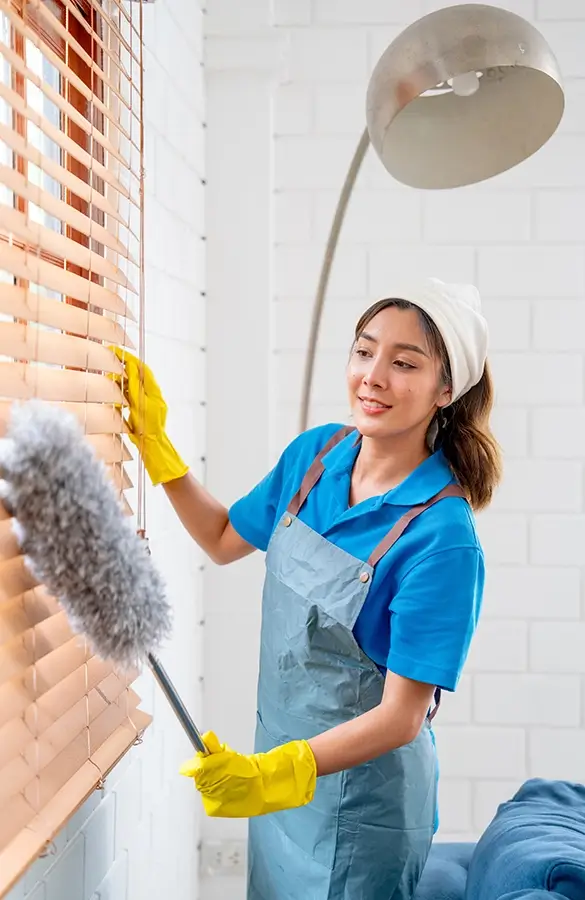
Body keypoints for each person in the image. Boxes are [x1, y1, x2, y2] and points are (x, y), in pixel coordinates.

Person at [115, 277, 502, 900]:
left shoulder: (442, 537)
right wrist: (160, 451)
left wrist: (275, 774)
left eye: (404, 364)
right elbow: (220, 537)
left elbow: (402, 718)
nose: (373, 377)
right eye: (364, 351)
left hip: (363, 812)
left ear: (447, 390)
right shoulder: (317, 455)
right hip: (279, 790)